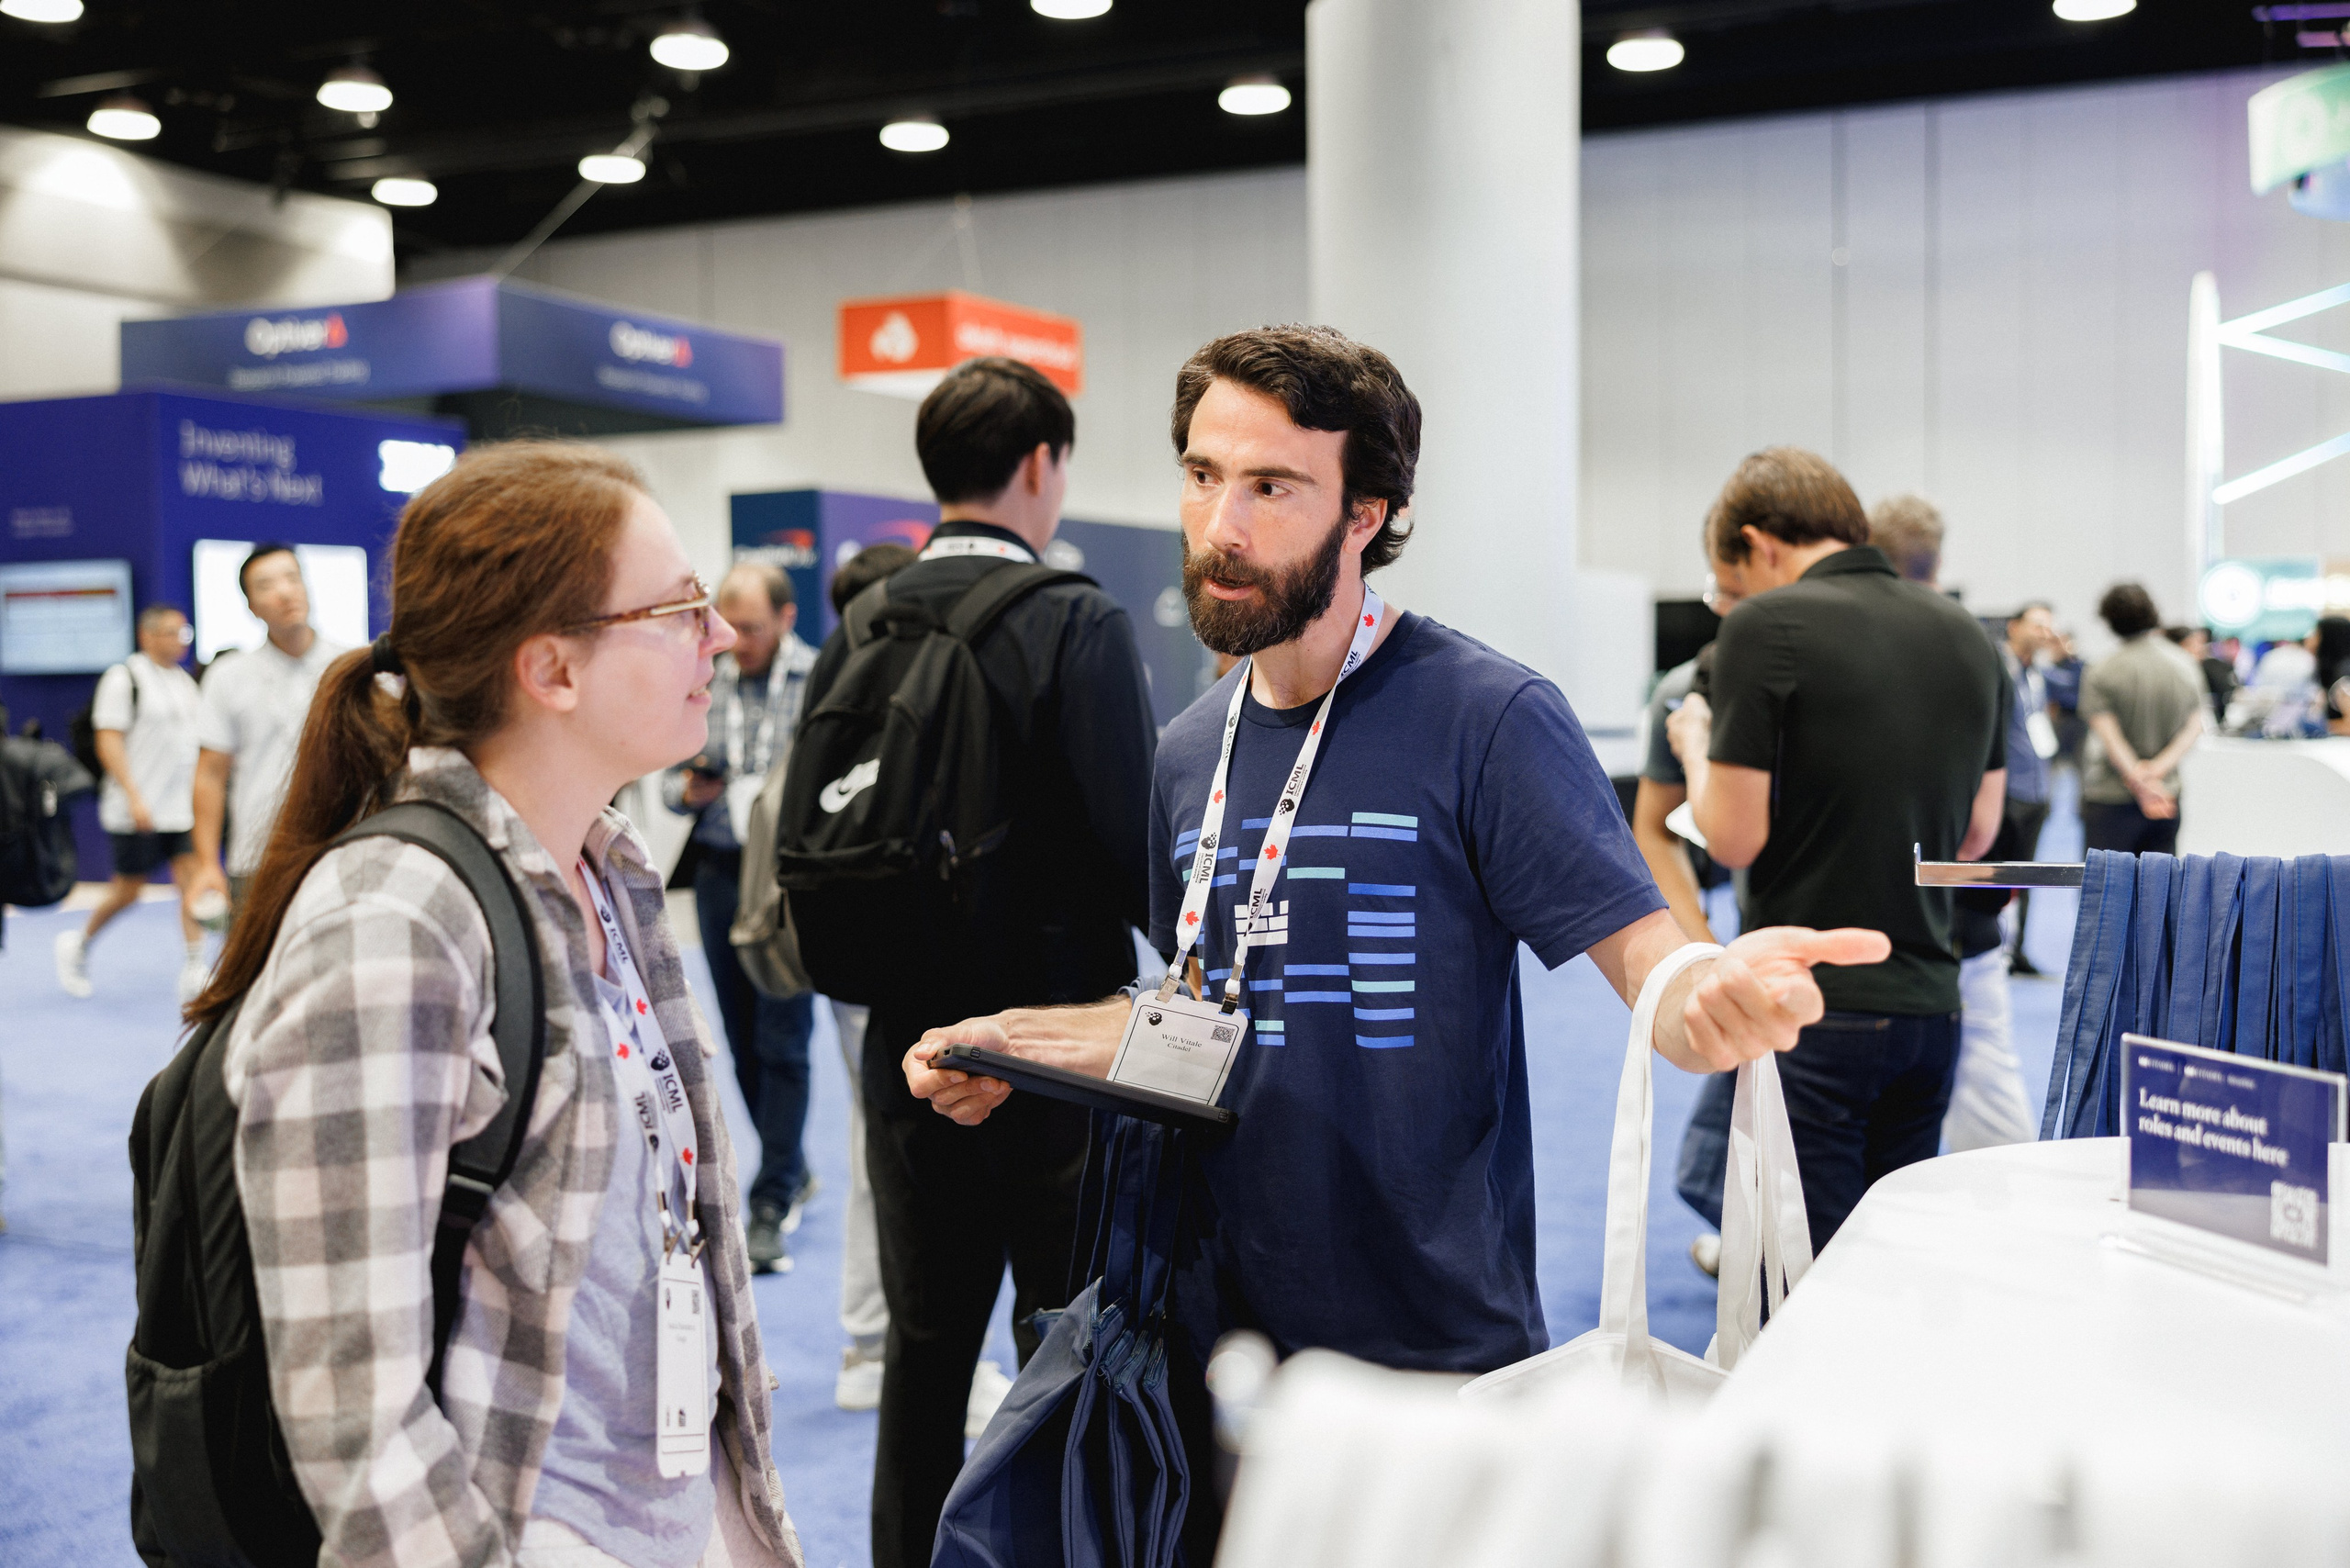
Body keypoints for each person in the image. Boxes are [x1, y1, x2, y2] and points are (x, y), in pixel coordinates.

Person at [901, 327, 1889, 1557]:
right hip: (1210, 1353)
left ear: (1370, 510)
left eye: (1272, 487)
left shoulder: (1488, 718)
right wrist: (1028, 1041)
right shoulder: (1186, 752)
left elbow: (1653, 970)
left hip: (1429, 1359)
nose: (1223, 525)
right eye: (1204, 476)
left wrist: (1713, 991)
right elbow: (1207, 1014)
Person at [190, 442, 802, 1568]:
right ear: (552, 671)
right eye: (677, 609)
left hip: (667, 1507)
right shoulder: (395, 923)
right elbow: (352, 1407)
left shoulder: (606, 867)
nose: (718, 636)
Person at [799, 357, 1158, 1568]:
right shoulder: (1074, 618)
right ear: (1042, 467)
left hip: (908, 1042)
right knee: (1064, 1340)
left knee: (924, 1343)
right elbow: (1132, 851)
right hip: (1056, 1049)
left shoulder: (861, 620)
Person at [1669, 453, 2004, 1249]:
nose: (1734, 604)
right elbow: (1977, 836)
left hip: (1811, 1008)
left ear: (1759, 545)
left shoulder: (1766, 626)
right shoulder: (1968, 634)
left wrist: (1694, 746)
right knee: (1889, 1259)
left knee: (1799, 1273)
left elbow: (1733, 837)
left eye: (1733, 581)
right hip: (1931, 999)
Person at [663, 562, 820, 1275]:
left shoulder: (818, 678)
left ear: (786, 620)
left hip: (787, 878)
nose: (739, 640)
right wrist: (688, 786)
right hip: (723, 873)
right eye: (732, 626)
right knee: (740, 1035)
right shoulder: (703, 673)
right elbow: (665, 779)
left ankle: (771, 1196)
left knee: (783, 1035)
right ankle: (789, 1165)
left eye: (753, 627)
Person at [818, 541, 916, 1413]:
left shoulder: (833, 677)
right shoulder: (883, 687)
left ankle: (867, 1345)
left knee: (869, 1142)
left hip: (851, 958)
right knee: (882, 1149)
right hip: (882, 963)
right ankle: (872, 1344)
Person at [53, 603, 206, 1003]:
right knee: (128, 891)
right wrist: (136, 797)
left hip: (181, 809)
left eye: (184, 633)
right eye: (173, 633)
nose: (180, 641)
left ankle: (195, 967)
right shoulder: (123, 679)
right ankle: (78, 945)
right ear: (148, 636)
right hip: (134, 809)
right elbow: (109, 740)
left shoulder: (185, 683)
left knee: (191, 880)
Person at [189, 543, 351, 922]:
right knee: (257, 977)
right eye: (266, 585)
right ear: (250, 605)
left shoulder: (349, 668)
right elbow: (210, 775)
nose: (285, 591)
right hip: (258, 856)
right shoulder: (228, 677)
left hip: (342, 849)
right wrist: (207, 862)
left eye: (293, 578)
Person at [2079, 583, 2203, 856]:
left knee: (2107, 892)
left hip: (2112, 797)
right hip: (2165, 796)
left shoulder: (2101, 669)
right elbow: (2193, 728)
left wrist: (2139, 779)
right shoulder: (2185, 664)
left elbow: (2109, 737)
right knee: (2159, 892)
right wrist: (2155, 774)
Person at [1997, 602, 2060, 975]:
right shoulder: (1999, 669)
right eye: (2036, 625)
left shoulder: (2036, 672)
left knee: (2027, 875)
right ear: (2014, 626)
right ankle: (1997, 948)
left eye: (2047, 627)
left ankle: (2017, 949)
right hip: (2006, 792)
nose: (2043, 633)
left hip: (2037, 790)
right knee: (1999, 876)